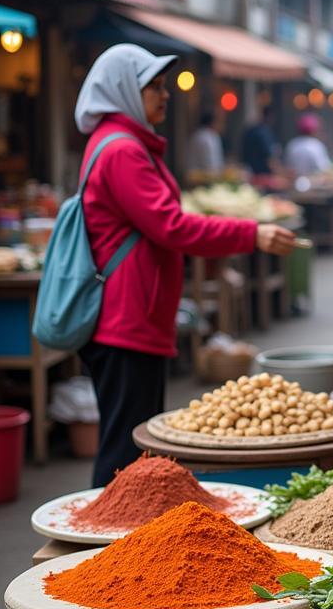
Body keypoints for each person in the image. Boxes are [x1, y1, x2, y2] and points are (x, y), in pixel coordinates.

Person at [73, 44, 295, 486]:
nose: (165, 95)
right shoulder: (122, 151)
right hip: (125, 319)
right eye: (153, 86)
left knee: (137, 446)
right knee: (124, 450)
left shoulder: (130, 145)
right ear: (123, 91)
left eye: (163, 86)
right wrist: (250, 233)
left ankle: (126, 546)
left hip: (137, 316)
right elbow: (170, 226)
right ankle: (103, 546)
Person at [241, 104, 279, 176]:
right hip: (263, 175)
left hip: (250, 172)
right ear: (270, 116)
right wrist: (280, 171)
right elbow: (270, 159)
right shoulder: (264, 132)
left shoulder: (251, 130)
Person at [186, 111, 225, 180]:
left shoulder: (202, 135)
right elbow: (210, 165)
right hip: (202, 178)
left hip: (202, 176)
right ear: (212, 123)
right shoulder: (205, 138)